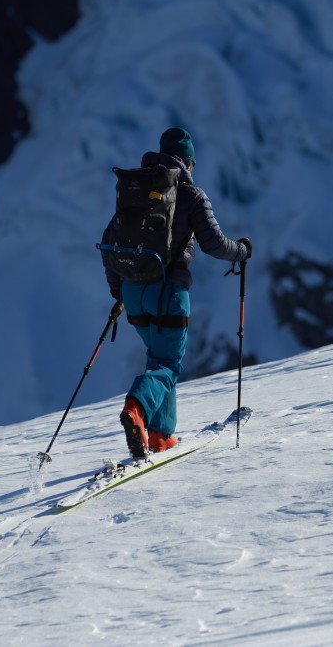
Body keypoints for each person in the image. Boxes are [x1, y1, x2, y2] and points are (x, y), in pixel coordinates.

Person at [101, 127, 252, 458]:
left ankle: (159, 435)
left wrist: (120, 291)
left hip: (134, 292)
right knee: (168, 363)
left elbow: (109, 242)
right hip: (168, 292)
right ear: (188, 162)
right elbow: (214, 244)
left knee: (158, 359)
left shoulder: (136, 190)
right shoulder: (190, 194)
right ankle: (137, 411)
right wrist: (241, 251)